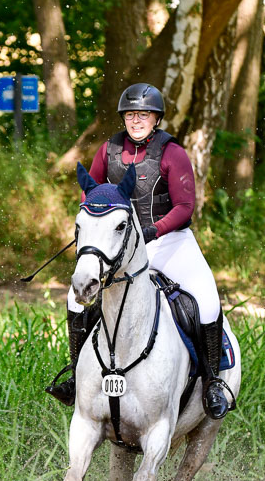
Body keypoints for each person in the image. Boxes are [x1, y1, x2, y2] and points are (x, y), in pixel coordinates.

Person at [46, 82, 230, 419]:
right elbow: (93, 195)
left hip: (170, 241)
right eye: (131, 115)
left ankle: (214, 382)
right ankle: (75, 375)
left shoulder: (172, 153)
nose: (136, 120)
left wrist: (151, 230)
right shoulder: (109, 150)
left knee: (206, 298)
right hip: (120, 245)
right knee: (76, 298)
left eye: (143, 114)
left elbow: (185, 207)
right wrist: (96, 229)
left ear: (156, 118)